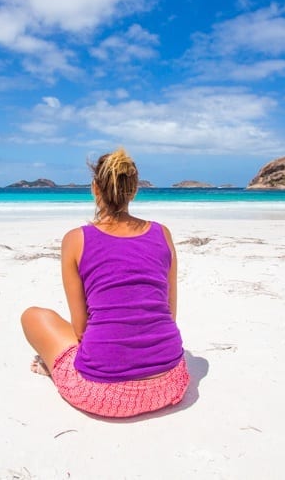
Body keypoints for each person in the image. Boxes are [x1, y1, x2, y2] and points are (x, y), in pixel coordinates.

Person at [20, 148, 190, 418]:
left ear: (94, 188)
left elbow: (80, 328)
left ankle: (55, 370)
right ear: (133, 191)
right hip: (169, 382)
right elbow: (170, 313)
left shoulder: (75, 239)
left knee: (33, 316)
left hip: (104, 394)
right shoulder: (162, 233)